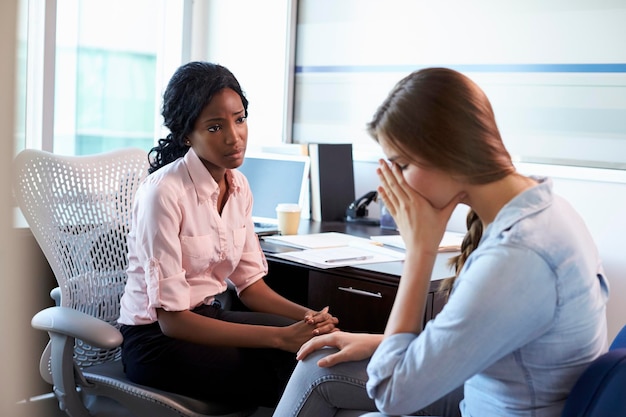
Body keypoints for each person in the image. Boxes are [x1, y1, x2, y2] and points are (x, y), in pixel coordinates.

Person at [273, 67, 609, 417]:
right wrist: (380, 343)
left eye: (401, 166)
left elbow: (392, 394)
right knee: (319, 365)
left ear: (448, 152)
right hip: (484, 391)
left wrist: (420, 251)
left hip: (493, 406)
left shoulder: (517, 258)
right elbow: (475, 340)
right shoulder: (542, 205)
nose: (394, 185)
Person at [118, 61, 338, 408]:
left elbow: (251, 287)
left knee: (320, 348)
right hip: (155, 341)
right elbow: (173, 322)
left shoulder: (239, 186)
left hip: (207, 318)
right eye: (215, 127)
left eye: (240, 119)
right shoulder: (163, 193)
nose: (234, 137)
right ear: (187, 134)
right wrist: (281, 338)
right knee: (287, 369)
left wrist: (308, 317)